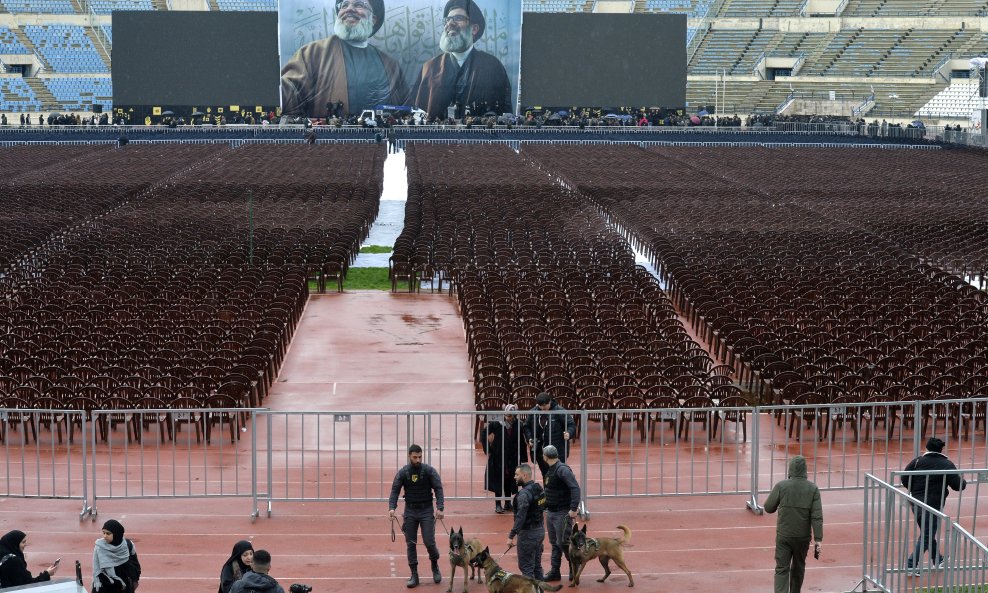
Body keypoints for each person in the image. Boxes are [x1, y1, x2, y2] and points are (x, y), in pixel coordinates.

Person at [280, 0, 409, 119]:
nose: (349, 9)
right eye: (344, 5)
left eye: (359, 5)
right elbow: (288, 98)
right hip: (330, 139)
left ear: (373, 19)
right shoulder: (311, 54)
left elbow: (405, 110)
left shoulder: (391, 66)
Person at [407, 0, 512, 120]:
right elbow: (416, 113)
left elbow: (505, 114)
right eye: (447, 20)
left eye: (458, 18)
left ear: (474, 29)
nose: (450, 24)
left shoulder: (493, 67)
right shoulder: (429, 67)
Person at [901, 437, 966, 575]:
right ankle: (911, 565)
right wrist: (963, 480)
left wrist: (914, 490)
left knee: (927, 533)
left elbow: (904, 478)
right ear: (941, 450)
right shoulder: (947, 464)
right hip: (933, 504)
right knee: (927, 534)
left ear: (927, 448)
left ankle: (938, 559)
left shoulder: (917, 461)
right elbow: (957, 486)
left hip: (916, 503)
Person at [764, 455, 823, 593]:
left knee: (781, 568)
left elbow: (768, 507)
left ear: (790, 469)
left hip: (784, 535)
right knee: (799, 567)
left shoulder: (781, 486)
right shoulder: (813, 489)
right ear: (805, 470)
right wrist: (818, 539)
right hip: (802, 537)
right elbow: (817, 516)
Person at [389, 444, 445, 588]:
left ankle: (435, 565)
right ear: (409, 456)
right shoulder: (403, 472)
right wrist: (391, 508)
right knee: (411, 544)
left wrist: (440, 507)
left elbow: (438, 488)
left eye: (420, 457)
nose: (418, 459)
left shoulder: (429, 471)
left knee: (429, 542)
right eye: (415, 457)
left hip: (426, 510)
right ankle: (414, 574)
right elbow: (395, 490)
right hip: (410, 512)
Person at [541, 444, 580, 582]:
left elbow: (575, 488)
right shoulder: (552, 469)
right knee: (555, 543)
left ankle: (573, 567)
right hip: (551, 512)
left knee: (564, 542)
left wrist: (574, 508)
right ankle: (555, 571)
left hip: (562, 513)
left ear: (545, 456)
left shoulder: (562, 470)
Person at [480, 403, 528, 514]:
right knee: (498, 479)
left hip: (512, 457)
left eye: (510, 415)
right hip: (498, 456)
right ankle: (498, 504)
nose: (507, 417)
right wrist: (488, 449)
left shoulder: (518, 425)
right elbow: (484, 433)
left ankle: (507, 503)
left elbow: (522, 441)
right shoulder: (497, 424)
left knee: (510, 479)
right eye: (506, 415)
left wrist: (524, 457)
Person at [507, 463, 545, 579]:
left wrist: (511, 535)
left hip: (528, 534)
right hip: (539, 531)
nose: (514, 477)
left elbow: (521, 517)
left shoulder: (523, 494)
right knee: (537, 567)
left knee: (526, 568)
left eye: (516, 474)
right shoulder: (538, 489)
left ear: (524, 475)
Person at [524, 392, 576, 477]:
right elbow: (527, 426)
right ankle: (547, 490)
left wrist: (569, 433)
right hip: (540, 451)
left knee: (557, 475)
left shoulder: (559, 411)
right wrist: (529, 438)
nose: (544, 408)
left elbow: (571, 424)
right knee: (546, 475)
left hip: (557, 450)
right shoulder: (533, 412)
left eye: (546, 405)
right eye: (541, 406)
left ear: (550, 402)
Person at [92, 519, 141, 593]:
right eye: (103, 533)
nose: (105, 536)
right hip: (106, 586)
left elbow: (135, 564)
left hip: (125, 587)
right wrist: (116, 582)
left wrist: (133, 579)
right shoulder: (100, 547)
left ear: (116, 534)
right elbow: (98, 571)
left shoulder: (128, 545)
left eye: (108, 534)